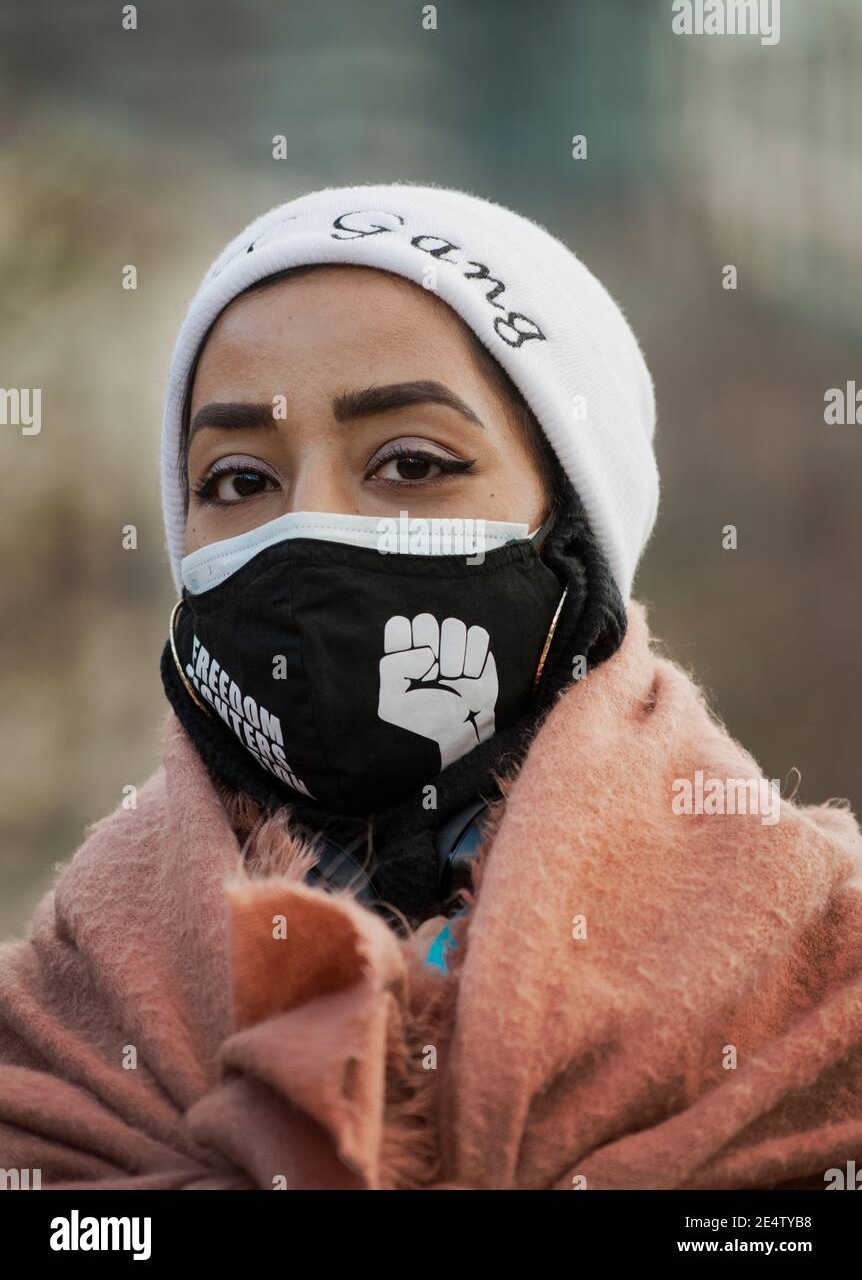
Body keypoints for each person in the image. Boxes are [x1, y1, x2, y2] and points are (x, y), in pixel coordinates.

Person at [1, 182, 860, 1191]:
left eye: (409, 462)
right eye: (237, 480)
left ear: (569, 527)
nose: (311, 526)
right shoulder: (58, 1025)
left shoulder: (821, 975)